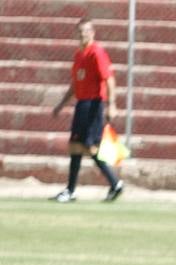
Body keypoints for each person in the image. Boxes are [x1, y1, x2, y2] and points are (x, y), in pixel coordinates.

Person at [50, 18, 124, 203]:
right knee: (76, 145)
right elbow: (76, 84)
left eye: (86, 30)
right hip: (82, 104)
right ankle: (72, 190)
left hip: (93, 105)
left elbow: (109, 79)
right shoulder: (79, 55)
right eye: (80, 31)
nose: (83, 34)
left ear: (93, 32)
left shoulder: (96, 52)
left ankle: (114, 183)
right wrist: (61, 104)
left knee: (90, 147)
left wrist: (112, 104)